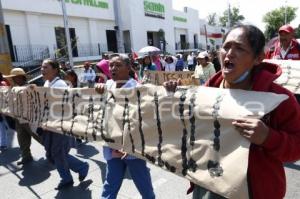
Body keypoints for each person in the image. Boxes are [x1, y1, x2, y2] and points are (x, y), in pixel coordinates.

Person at [165, 25, 300, 199]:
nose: (229, 53)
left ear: (259, 58)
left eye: (239, 48)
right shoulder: (206, 91)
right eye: (226, 47)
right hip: (207, 187)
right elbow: (184, 128)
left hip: (254, 192)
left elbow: (297, 146)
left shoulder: (279, 99)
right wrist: (171, 99)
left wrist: (268, 137)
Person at [95, 54, 155, 199]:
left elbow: (147, 118)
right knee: (110, 184)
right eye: (111, 65)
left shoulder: (139, 89)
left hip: (132, 148)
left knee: (143, 185)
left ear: (128, 68)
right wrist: (98, 92)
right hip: (111, 145)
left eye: (118, 65)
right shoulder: (107, 85)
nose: (113, 68)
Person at [41, 58, 89, 190]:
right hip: (49, 124)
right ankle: (81, 167)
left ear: (55, 70)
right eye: (42, 67)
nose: (42, 70)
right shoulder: (46, 83)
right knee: (52, 153)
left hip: (60, 124)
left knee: (58, 152)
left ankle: (67, 177)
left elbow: (66, 106)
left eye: (45, 67)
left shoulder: (60, 85)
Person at [3, 68, 42, 164]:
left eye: (14, 77)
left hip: (29, 118)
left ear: (21, 77)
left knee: (40, 138)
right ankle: (26, 156)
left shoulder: (31, 87)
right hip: (18, 119)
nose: (13, 79)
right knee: (22, 139)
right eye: (13, 78)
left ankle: (54, 153)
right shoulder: (13, 88)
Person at [0, 72, 9, 152]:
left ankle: (3, 144)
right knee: (2, 125)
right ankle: (3, 144)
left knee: (3, 125)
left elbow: (6, 96)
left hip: (3, 109)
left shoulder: (2, 84)